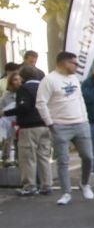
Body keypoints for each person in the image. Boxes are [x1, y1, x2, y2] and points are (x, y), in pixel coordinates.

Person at [36, 51, 94, 204]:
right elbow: (41, 103)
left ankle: (84, 183)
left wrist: (85, 118)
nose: (77, 66)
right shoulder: (49, 80)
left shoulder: (74, 78)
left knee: (88, 157)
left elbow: (79, 99)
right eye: (74, 63)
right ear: (65, 63)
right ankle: (66, 192)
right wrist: (50, 122)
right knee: (63, 160)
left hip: (81, 123)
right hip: (60, 125)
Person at [14, 61, 52, 194]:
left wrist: (7, 112)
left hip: (29, 126)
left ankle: (29, 186)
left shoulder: (24, 89)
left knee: (28, 157)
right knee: (43, 156)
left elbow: (23, 107)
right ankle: (46, 185)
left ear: (23, 76)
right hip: (45, 124)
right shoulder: (44, 87)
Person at [1, 64, 19, 173]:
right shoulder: (6, 94)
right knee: (7, 140)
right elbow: (1, 105)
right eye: (15, 80)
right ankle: (5, 157)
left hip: (19, 120)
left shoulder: (22, 92)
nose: (17, 82)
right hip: (8, 120)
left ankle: (18, 158)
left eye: (19, 79)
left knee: (18, 140)